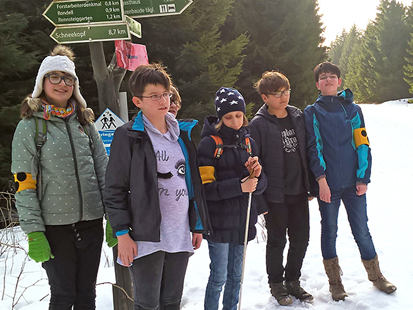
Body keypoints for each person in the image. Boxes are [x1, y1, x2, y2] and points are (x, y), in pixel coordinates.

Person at [103, 63, 211, 310]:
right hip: (146, 236)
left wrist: (196, 224)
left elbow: (191, 183)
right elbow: (114, 189)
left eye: (166, 94)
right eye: (154, 96)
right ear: (138, 101)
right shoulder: (129, 136)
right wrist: (122, 233)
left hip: (179, 233)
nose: (163, 100)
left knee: (171, 303)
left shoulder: (180, 134)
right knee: (147, 305)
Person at [11, 45, 108, 309]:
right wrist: (33, 231)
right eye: (54, 77)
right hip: (55, 229)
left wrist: (114, 216)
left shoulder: (85, 125)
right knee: (64, 296)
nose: (61, 83)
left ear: (74, 85)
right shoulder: (30, 126)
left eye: (67, 78)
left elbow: (104, 172)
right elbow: (24, 183)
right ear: (42, 82)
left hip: (91, 223)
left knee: (87, 295)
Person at [304, 62, 396, 301]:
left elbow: (362, 143)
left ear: (339, 81)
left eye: (331, 76)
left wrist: (363, 177)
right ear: (317, 84)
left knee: (362, 230)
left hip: (354, 184)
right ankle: (335, 283)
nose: (327, 80)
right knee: (330, 231)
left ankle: (377, 277)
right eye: (323, 77)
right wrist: (321, 181)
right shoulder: (312, 112)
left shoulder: (353, 110)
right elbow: (314, 147)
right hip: (329, 186)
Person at [248, 71, 314, 305]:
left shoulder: (297, 116)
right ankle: (276, 284)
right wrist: (260, 199)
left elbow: (306, 152)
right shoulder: (257, 125)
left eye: (286, 91)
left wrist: (310, 185)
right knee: (277, 241)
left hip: (299, 191)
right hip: (275, 195)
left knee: (301, 238)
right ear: (265, 97)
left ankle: (293, 281)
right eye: (277, 93)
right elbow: (255, 163)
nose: (284, 97)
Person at [198, 87, 267, 310]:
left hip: (242, 222)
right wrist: (240, 186)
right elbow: (206, 189)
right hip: (218, 224)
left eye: (239, 115)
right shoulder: (209, 144)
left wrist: (255, 176)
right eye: (228, 117)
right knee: (219, 277)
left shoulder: (249, 143)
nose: (235, 121)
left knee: (236, 278)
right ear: (220, 118)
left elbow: (259, 184)